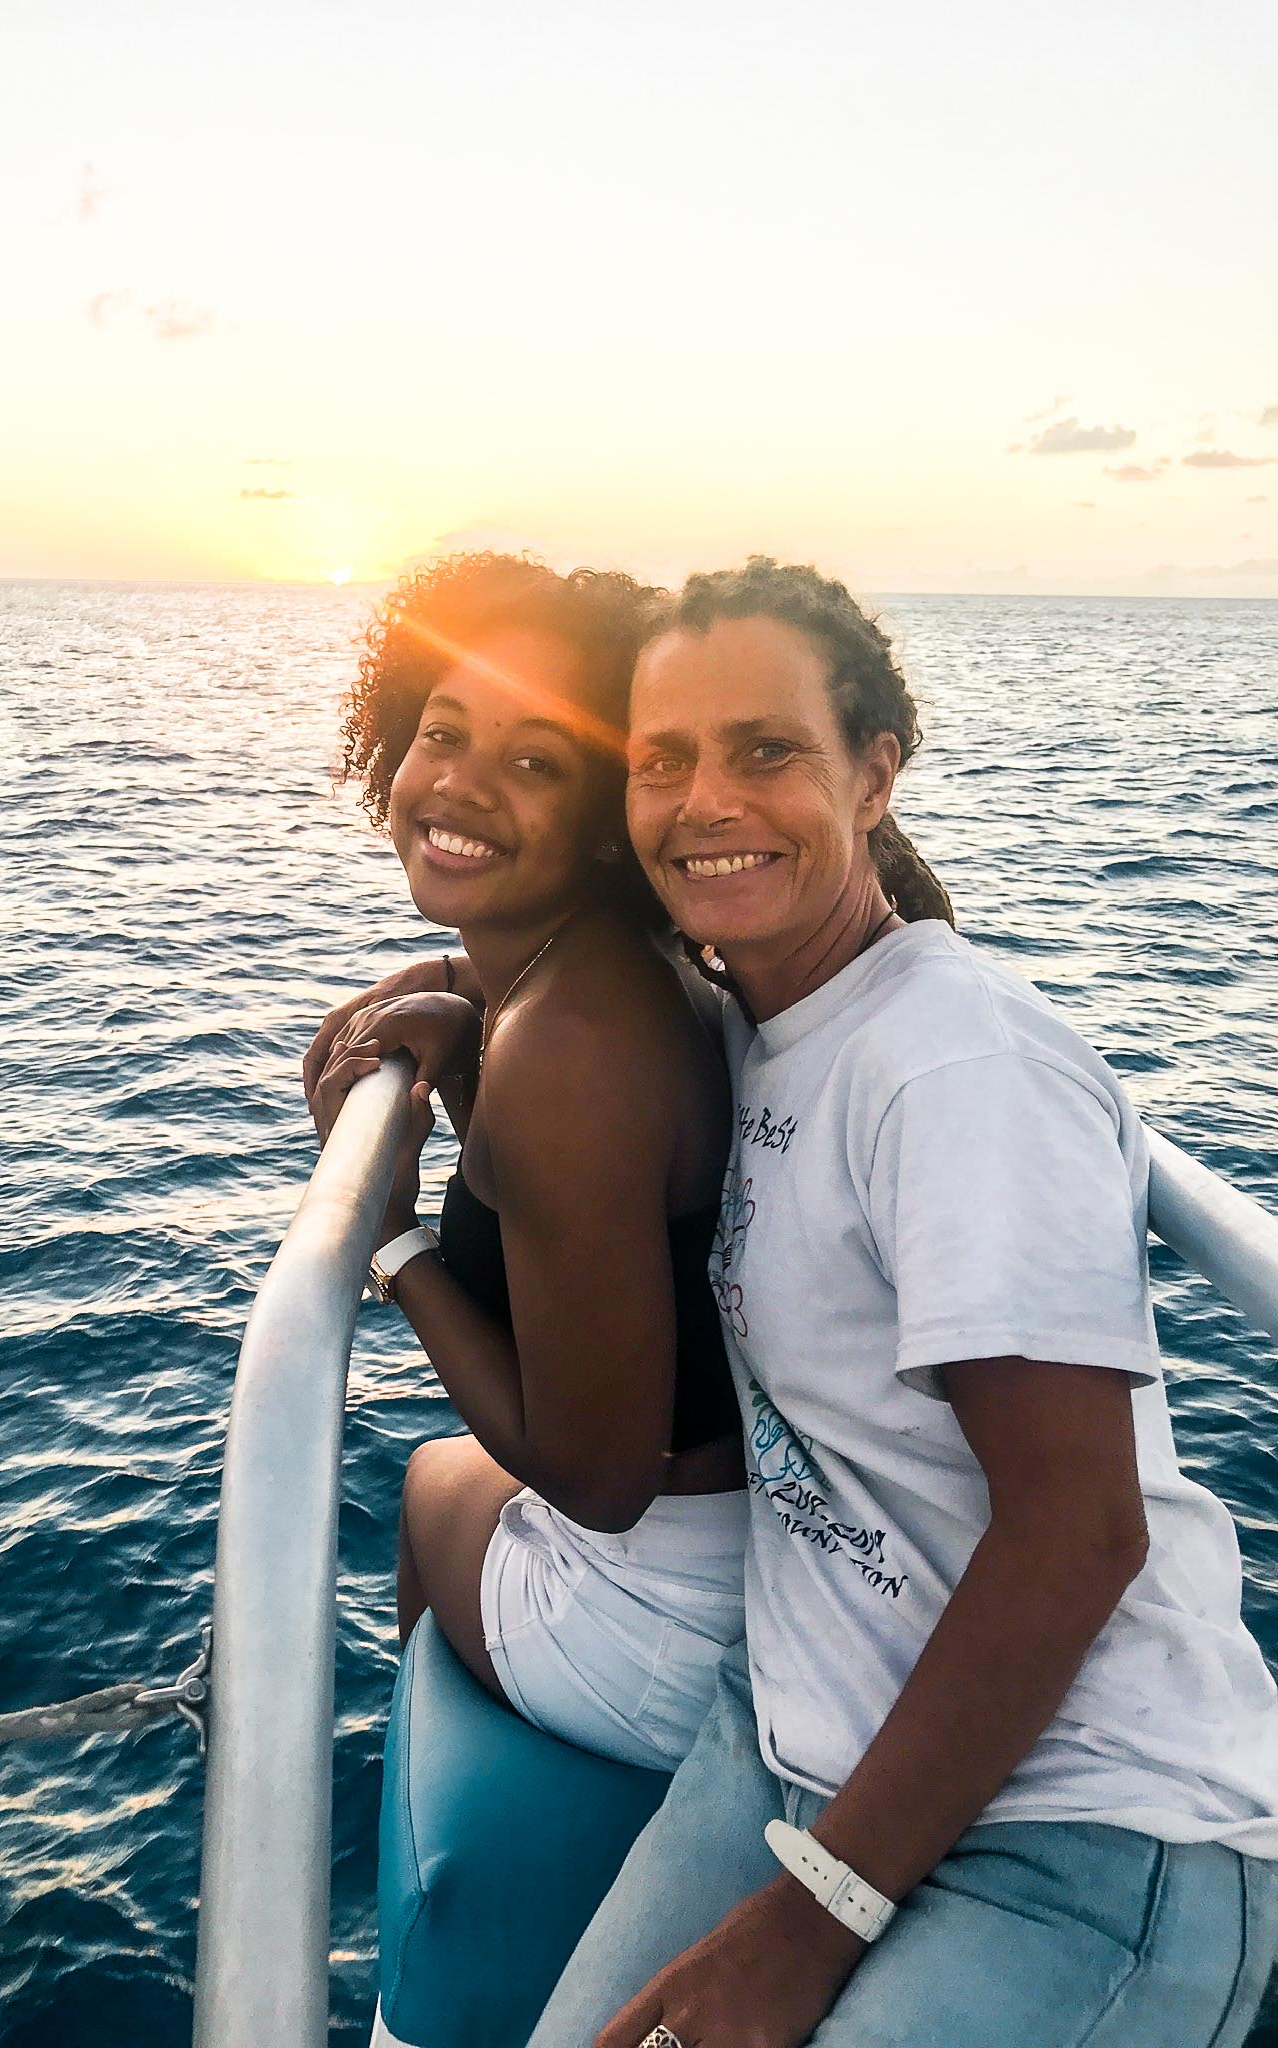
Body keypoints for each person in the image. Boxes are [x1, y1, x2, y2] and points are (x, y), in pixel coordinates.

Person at [515, 557, 1278, 2047]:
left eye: (766, 751)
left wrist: (813, 1922)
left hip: (1090, 1831)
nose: (705, 800)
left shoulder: (959, 1072)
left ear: (876, 776)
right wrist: (458, 1006)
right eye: (661, 761)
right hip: (802, 1739)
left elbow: (1082, 1530)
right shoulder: (768, 1013)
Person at [305, 552, 749, 1773]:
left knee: (425, 1486)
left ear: (607, 809)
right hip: (742, 1551)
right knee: (453, 1476)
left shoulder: (567, 1041)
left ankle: (437, 1899)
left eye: (535, 761)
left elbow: (603, 1477)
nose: (461, 783)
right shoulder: (599, 966)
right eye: (442, 730)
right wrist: (456, 1002)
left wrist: (390, 1240)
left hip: (662, 1618)